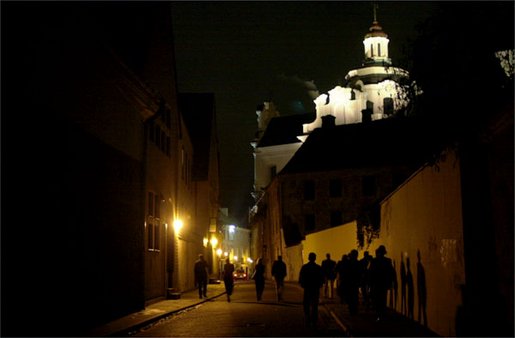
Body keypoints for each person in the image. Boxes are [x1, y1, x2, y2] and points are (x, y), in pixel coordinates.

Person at [369, 245, 395, 321]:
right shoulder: (388, 261)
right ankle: (381, 313)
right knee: (383, 298)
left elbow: (371, 272)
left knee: (377, 298)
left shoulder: (374, 261)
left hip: (376, 283)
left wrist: (370, 283)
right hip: (384, 283)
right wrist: (391, 281)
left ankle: (379, 313)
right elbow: (391, 272)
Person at [299, 252, 324, 328]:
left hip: (307, 288)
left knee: (306, 304)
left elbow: (301, 277)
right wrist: (320, 285)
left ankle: (307, 317)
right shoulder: (318, 268)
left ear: (309, 258)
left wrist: (303, 284)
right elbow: (321, 278)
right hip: (315, 288)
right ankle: (314, 319)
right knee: (314, 304)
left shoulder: (305, 267)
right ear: (315, 258)